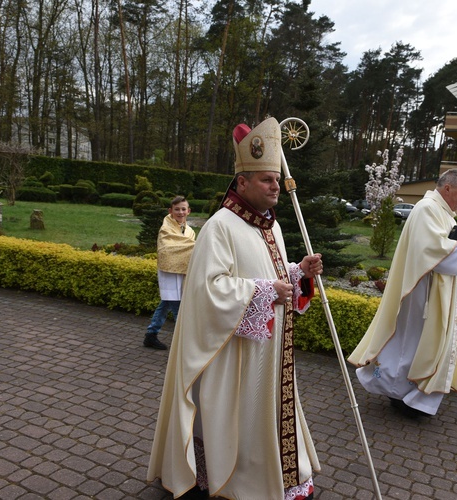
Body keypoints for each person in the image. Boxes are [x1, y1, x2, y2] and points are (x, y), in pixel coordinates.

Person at [147, 117, 323, 499]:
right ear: (241, 183)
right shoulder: (220, 226)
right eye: (266, 180)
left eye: (276, 180)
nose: (275, 186)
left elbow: (271, 274)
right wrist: (264, 291)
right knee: (239, 415)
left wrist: (297, 274)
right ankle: (236, 478)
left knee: (267, 411)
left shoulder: (270, 226)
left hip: (269, 350)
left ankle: (277, 473)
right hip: (233, 353)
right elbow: (208, 289)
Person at [347, 168, 457, 417]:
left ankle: (411, 396)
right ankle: (401, 395)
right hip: (420, 293)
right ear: (448, 188)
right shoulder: (427, 208)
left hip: (432, 292)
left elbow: (444, 247)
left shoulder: (444, 212)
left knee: (419, 344)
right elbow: (430, 249)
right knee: (411, 344)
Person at [143, 196, 196, 350]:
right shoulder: (166, 228)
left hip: (183, 271)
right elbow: (166, 249)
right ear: (170, 211)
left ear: (189, 211)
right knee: (177, 305)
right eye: (177, 209)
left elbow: (189, 249)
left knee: (166, 302)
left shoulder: (190, 231)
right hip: (169, 271)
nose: (180, 212)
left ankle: (151, 335)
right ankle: (184, 344)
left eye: (183, 209)